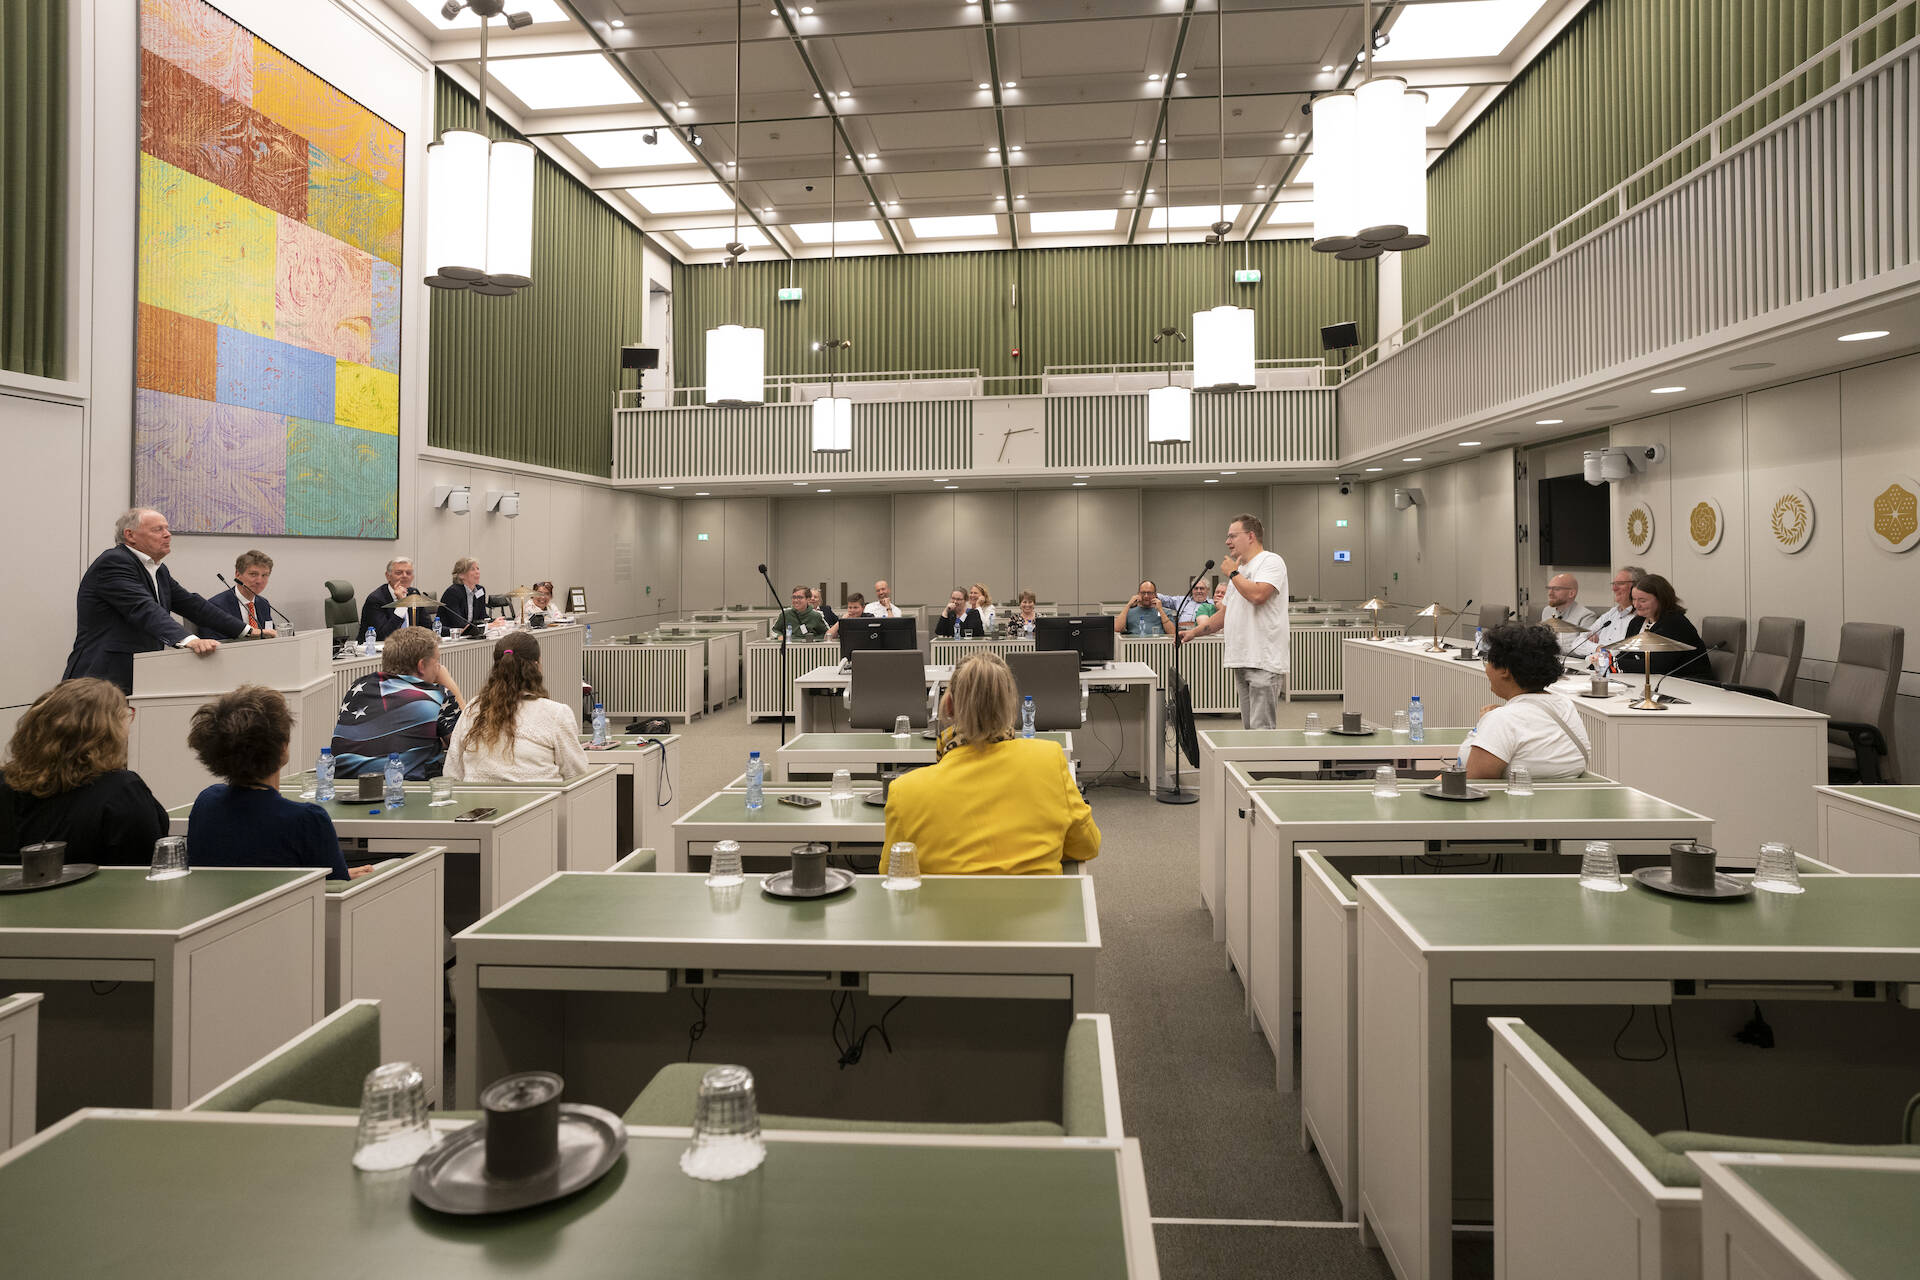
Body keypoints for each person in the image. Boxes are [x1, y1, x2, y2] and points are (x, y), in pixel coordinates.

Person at [882, 654, 1099, 875]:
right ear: (1011, 706)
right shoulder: (1049, 759)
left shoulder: (904, 791)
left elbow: (893, 873)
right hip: (1037, 908)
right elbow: (1087, 845)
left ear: (948, 706)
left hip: (947, 909)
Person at [186, 685, 366, 880]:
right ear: (282, 746)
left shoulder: (206, 803)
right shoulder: (307, 820)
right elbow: (334, 888)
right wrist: (344, 877)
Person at [62, 508, 243, 693]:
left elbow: (192, 605)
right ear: (130, 535)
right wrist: (189, 640)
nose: (168, 534)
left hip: (138, 675)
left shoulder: (158, 570)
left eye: (167, 528)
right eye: (158, 530)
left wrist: (247, 631)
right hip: (99, 677)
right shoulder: (114, 562)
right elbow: (143, 609)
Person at [0, 678, 169, 867]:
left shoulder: (6, 785)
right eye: (125, 716)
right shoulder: (122, 792)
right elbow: (143, 869)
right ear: (107, 732)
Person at [1180, 514, 1289, 729]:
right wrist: (1194, 632)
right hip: (1241, 658)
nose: (1227, 541)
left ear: (1250, 536)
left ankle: (1259, 764)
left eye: (1232, 536)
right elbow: (1223, 616)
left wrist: (1232, 572)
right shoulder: (1240, 570)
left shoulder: (1271, 561)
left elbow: (1258, 595)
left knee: (1261, 730)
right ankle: (1251, 764)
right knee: (1249, 729)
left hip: (1263, 659)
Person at [442, 633, 592, 784]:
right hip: (541, 804)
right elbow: (577, 774)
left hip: (477, 805)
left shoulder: (473, 709)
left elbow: (452, 771)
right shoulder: (556, 713)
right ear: (536, 666)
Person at [1455, 623, 1592, 779]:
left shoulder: (1501, 720)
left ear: (1505, 670)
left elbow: (1473, 783)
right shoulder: (1566, 706)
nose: (1486, 668)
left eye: (1488, 660)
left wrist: (1483, 727)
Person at [331, 626, 465, 779]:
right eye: (437, 661)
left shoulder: (359, 686)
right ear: (421, 666)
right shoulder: (437, 695)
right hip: (404, 792)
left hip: (344, 788)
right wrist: (450, 685)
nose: (439, 668)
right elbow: (467, 744)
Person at [1613, 574, 1707, 675]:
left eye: (1642, 600)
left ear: (1661, 599)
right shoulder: (1636, 622)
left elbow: (1657, 666)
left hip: (1688, 683)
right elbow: (1625, 654)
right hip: (1651, 681)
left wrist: (1615, 664)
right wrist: (1609, 662)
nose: (1636, 605)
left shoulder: (1675, 623)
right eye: (1634, 599)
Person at [1573, 565, 1645, 662]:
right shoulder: (1612, 613)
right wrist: (1599, 648)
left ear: (1636, 586)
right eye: (1614, 584)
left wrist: (1594, 649)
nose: (1614, 588)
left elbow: (1620, 652)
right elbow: (1576, 643)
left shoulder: (1640, 617)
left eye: (1620, 583)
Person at [360, 557, 434, 639]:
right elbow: (383, 635)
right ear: (388, 576)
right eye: (399, 573)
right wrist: (402, 604)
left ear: (412, 577)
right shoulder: (376, 599)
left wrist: (450, 630)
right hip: (377, 649)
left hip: (409, 647)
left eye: (408, 573)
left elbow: (427, 627)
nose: (405, 576)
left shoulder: (413, 593)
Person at [210, 550, 278, 638]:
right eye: (253, 574)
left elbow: (269, 635)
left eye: (264, 575)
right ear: (238, 574)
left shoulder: (263, 603)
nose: (259, 581)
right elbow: (216, 641)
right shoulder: (217, 605)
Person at [1539, 572, 1598, 654]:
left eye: (1556, 589)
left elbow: (1585, 649)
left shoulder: (1586, 616)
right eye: (1549, 588)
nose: (1550, 593)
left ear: (1571, 593)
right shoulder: (1547, 611)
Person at [439, 557, 489, 634]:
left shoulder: (480, 590)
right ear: (461, 575)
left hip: (469, 634)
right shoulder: (453, 592)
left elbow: (483, 616)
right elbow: (459, 623)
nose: (477, 572)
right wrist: (488, 626)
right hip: (451, 636)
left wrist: (493, 622)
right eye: (472, 569)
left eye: (478, 568)